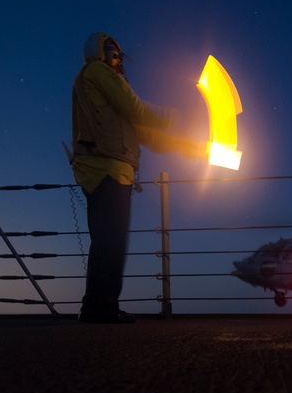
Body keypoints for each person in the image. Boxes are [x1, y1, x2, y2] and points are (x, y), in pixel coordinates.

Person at [70, 32, 203, 324]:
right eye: (113, 53)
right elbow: (138, 110)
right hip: (107, 170)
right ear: (101, 53)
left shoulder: (105, 84)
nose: (118, 60)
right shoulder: (98, 72)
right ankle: (99, 308)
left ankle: (100, 305)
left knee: (109, 241)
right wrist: (178, 117)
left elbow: (143, 132)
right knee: (109, 241)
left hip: (112, 171)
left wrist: (191, 148)